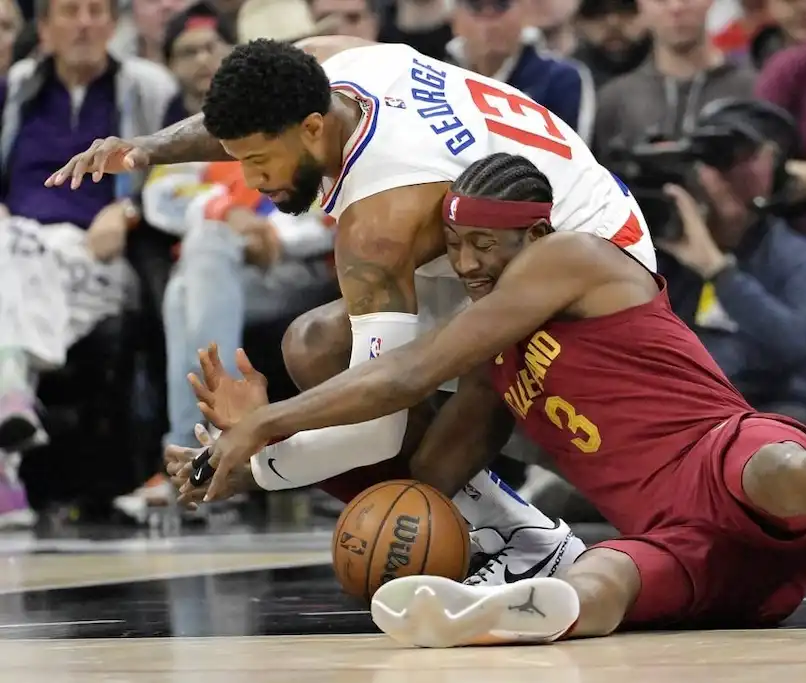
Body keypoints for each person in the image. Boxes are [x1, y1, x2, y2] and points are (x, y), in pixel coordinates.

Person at [172, 153, 806, 646]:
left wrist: (269, 421)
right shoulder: (498, 363)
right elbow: (423, 472)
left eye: (486, 244)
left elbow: (409, 371)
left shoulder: (580, 258)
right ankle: (518, 612)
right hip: (679, 541)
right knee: (606, 578)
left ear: (536, 233)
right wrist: (247, 461)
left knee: (773, 470)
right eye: (455, 247)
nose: (470, 262)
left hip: (713, 451)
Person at [46, 36, 655, 583]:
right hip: (504, 241)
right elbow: (237, 121)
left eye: (260, 162)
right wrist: (146, 150)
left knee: (429, 467)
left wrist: (251, 457)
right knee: (315, 344)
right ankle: (528, 539)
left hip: (591, 270)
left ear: (312, 129)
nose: (253, 181)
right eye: (241, 160)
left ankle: (526, 532)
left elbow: (375, 425)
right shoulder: (335, 60)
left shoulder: (379, 222)